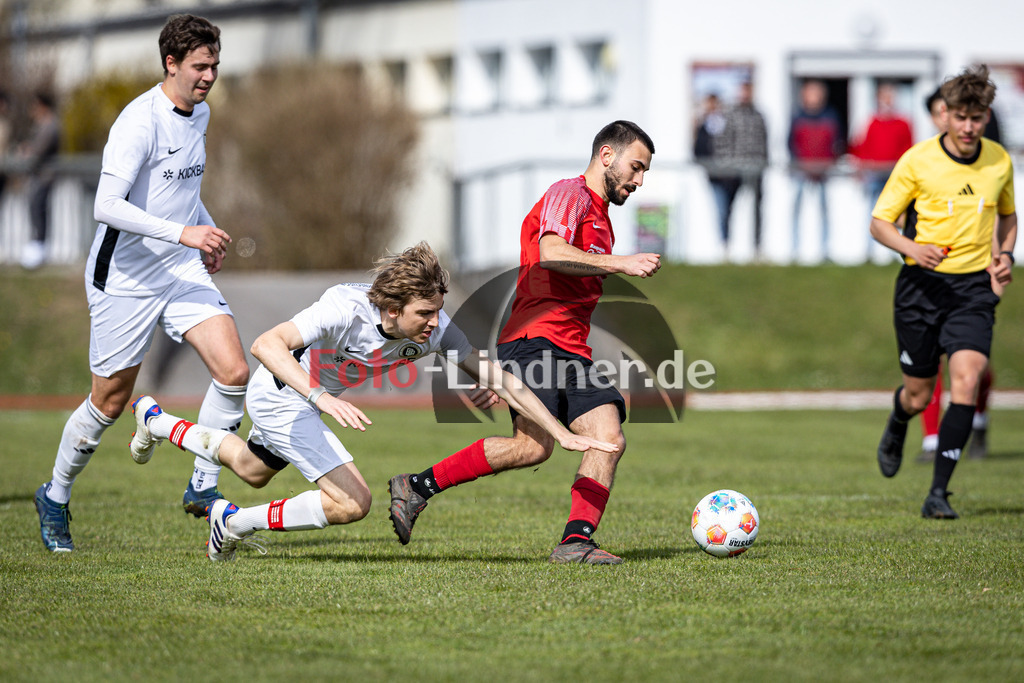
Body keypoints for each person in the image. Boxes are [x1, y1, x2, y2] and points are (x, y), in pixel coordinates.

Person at [129, 242, 618, 561]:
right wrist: (321, 398)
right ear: (390, 309)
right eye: (425, 313)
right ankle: (232, 523)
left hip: (306, 402)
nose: (434, 322)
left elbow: (501, 380)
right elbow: (265, 345)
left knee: (249, 468)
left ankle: (156, 421)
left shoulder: (433, 327)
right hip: (284, 396)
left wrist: (559, 433)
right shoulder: (344, 308)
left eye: (438, 311)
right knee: (353, 501)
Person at [387, 120, 660, 564]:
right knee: (534, 447)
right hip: (538, 342)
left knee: (601, 438)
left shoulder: (602, 220)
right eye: (635, 167)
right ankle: (416, 486)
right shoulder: (569, 194)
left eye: (644, 172)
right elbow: (551, 252)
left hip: (567, 348)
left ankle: (575, 541)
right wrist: (622, 264)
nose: (639, 180)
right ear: (606, 156)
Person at [33, 14, 250, 552]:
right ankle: (55, 496)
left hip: (177, 267)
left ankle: (202, 485)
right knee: (108, 403)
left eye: (215, 66)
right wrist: (185, 234)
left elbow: (179, 189)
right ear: (170, 63)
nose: (209, 77)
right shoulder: (138, 122)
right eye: (200, 66)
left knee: (235, 370)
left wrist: (206, 229)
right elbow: (106, 207)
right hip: (124, 277)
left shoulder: (198, 114)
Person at [871, 65, 1016, 519]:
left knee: (967, 380)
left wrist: (1006, 255)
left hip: (973, 288)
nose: (970, 127)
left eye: (978, 118)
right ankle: (898, 422)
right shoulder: (917, 160)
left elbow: (1007, 216)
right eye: (962, 117)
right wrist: (914, 247)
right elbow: (879, 224)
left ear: (986, 117)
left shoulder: (999, 160)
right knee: (918, 394)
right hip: (921, 287)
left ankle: (938, 494)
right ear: (945, 116)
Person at [916, 86, 996, 463]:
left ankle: (976, 420)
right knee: (929, 361)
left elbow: (994, 219)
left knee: (969, 364)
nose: (945, 120)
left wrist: (999, 262)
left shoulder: (985, 164)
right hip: (928, 279)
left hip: (972, 276)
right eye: (939, 113)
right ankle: (933, 441)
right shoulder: (920, 163)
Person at [788, 79, 841, 262]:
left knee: (824, 211)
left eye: (817, 93)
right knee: (796, 210)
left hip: (823, 171)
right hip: (801, 171)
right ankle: (794, 251)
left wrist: (829, 162)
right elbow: (791, 144)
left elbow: (836, 143)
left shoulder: (830, 116)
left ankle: (825, 251)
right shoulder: (797, 117)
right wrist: (799, 164)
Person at [849, 82, 913, 233]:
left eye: (890, 97)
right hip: (874, 173)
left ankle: (894, 247)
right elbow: (862, 146)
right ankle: (870, 248)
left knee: (896, 210)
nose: (887, 100)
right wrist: (861, 167)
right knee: (873, 211)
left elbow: (908, 149)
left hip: (894, 173)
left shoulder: (903, 123)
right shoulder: (873, 122)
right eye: (884, 97)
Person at [717, 80, 769, 259]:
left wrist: (763, 164)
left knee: (757, 210)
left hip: (756, 170)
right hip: (734, 171)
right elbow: (723, 142)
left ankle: (757, 248)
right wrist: (727, 167)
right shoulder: (730, 115)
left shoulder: (759, 115)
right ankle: (726, 247)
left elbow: (764, 142)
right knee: (728, 208)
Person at [17, 91, 61, 270]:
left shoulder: (50, 125)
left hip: (45, 177)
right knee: (35, 210)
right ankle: (36, 250)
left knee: (39, 211)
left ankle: (39, 251)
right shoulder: (41, 125)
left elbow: (37, 151)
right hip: (38, 177)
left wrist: (27, 151)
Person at [693, 93, 735, 254]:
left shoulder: (728, 123)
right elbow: (698, 150)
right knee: (721, 211)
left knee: (728, 211)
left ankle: (727, 242)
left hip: (731, 177)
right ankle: (723, 244)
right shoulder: (703, 126)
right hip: (715, 177)